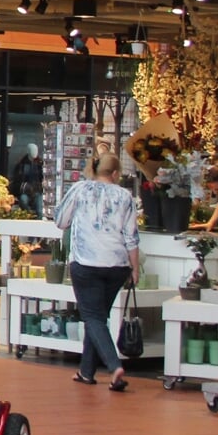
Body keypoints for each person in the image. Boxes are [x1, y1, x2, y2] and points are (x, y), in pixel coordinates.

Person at [55, 150, 141, 391]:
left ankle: (114, 366)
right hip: (117, 265)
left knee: (92, 317)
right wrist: (135, 268)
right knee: (99, 317)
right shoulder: (125, 196)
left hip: (86, 262)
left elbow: (60, 220)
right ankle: (86, 371)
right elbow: (131, 237)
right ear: (115, 173)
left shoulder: (80, 189)